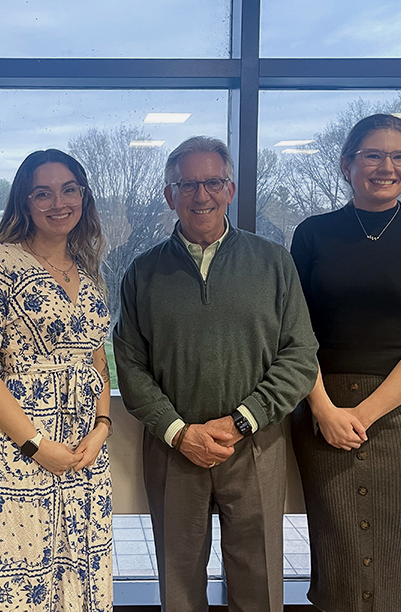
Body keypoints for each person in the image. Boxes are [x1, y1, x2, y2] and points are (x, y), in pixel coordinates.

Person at [113, 136, 319, 612]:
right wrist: (179, 432)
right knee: (179, 583)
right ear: (169, 195)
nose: (200, 195)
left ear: (230, 189)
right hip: (174, 448)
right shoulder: (142, 273)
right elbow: (130, 365)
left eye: (212, 182)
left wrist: (240, 420)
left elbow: (300, 354)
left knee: (259, 579)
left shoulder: (273, 263)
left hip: (255, 443)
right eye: (187, 184)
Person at [290, 113, 401, 612]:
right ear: (347, 164)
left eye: (399, 156)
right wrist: (324, 410)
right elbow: (294, 335)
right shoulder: (313, 233)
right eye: (373, 155)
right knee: (337, 554)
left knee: (400, 561)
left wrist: (360, 415)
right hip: (322, 411)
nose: (386, 166)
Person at [0, 149, 113, 611]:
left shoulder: (89, 271)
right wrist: (35, 444)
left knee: (81, 570)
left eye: (69, 190)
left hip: (85, 451)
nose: (57, 202)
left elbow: (96, 362)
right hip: (19, 448)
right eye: (41, 193)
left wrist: (102, 429)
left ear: (83, 197)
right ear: (25, 203)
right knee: (21, 581)